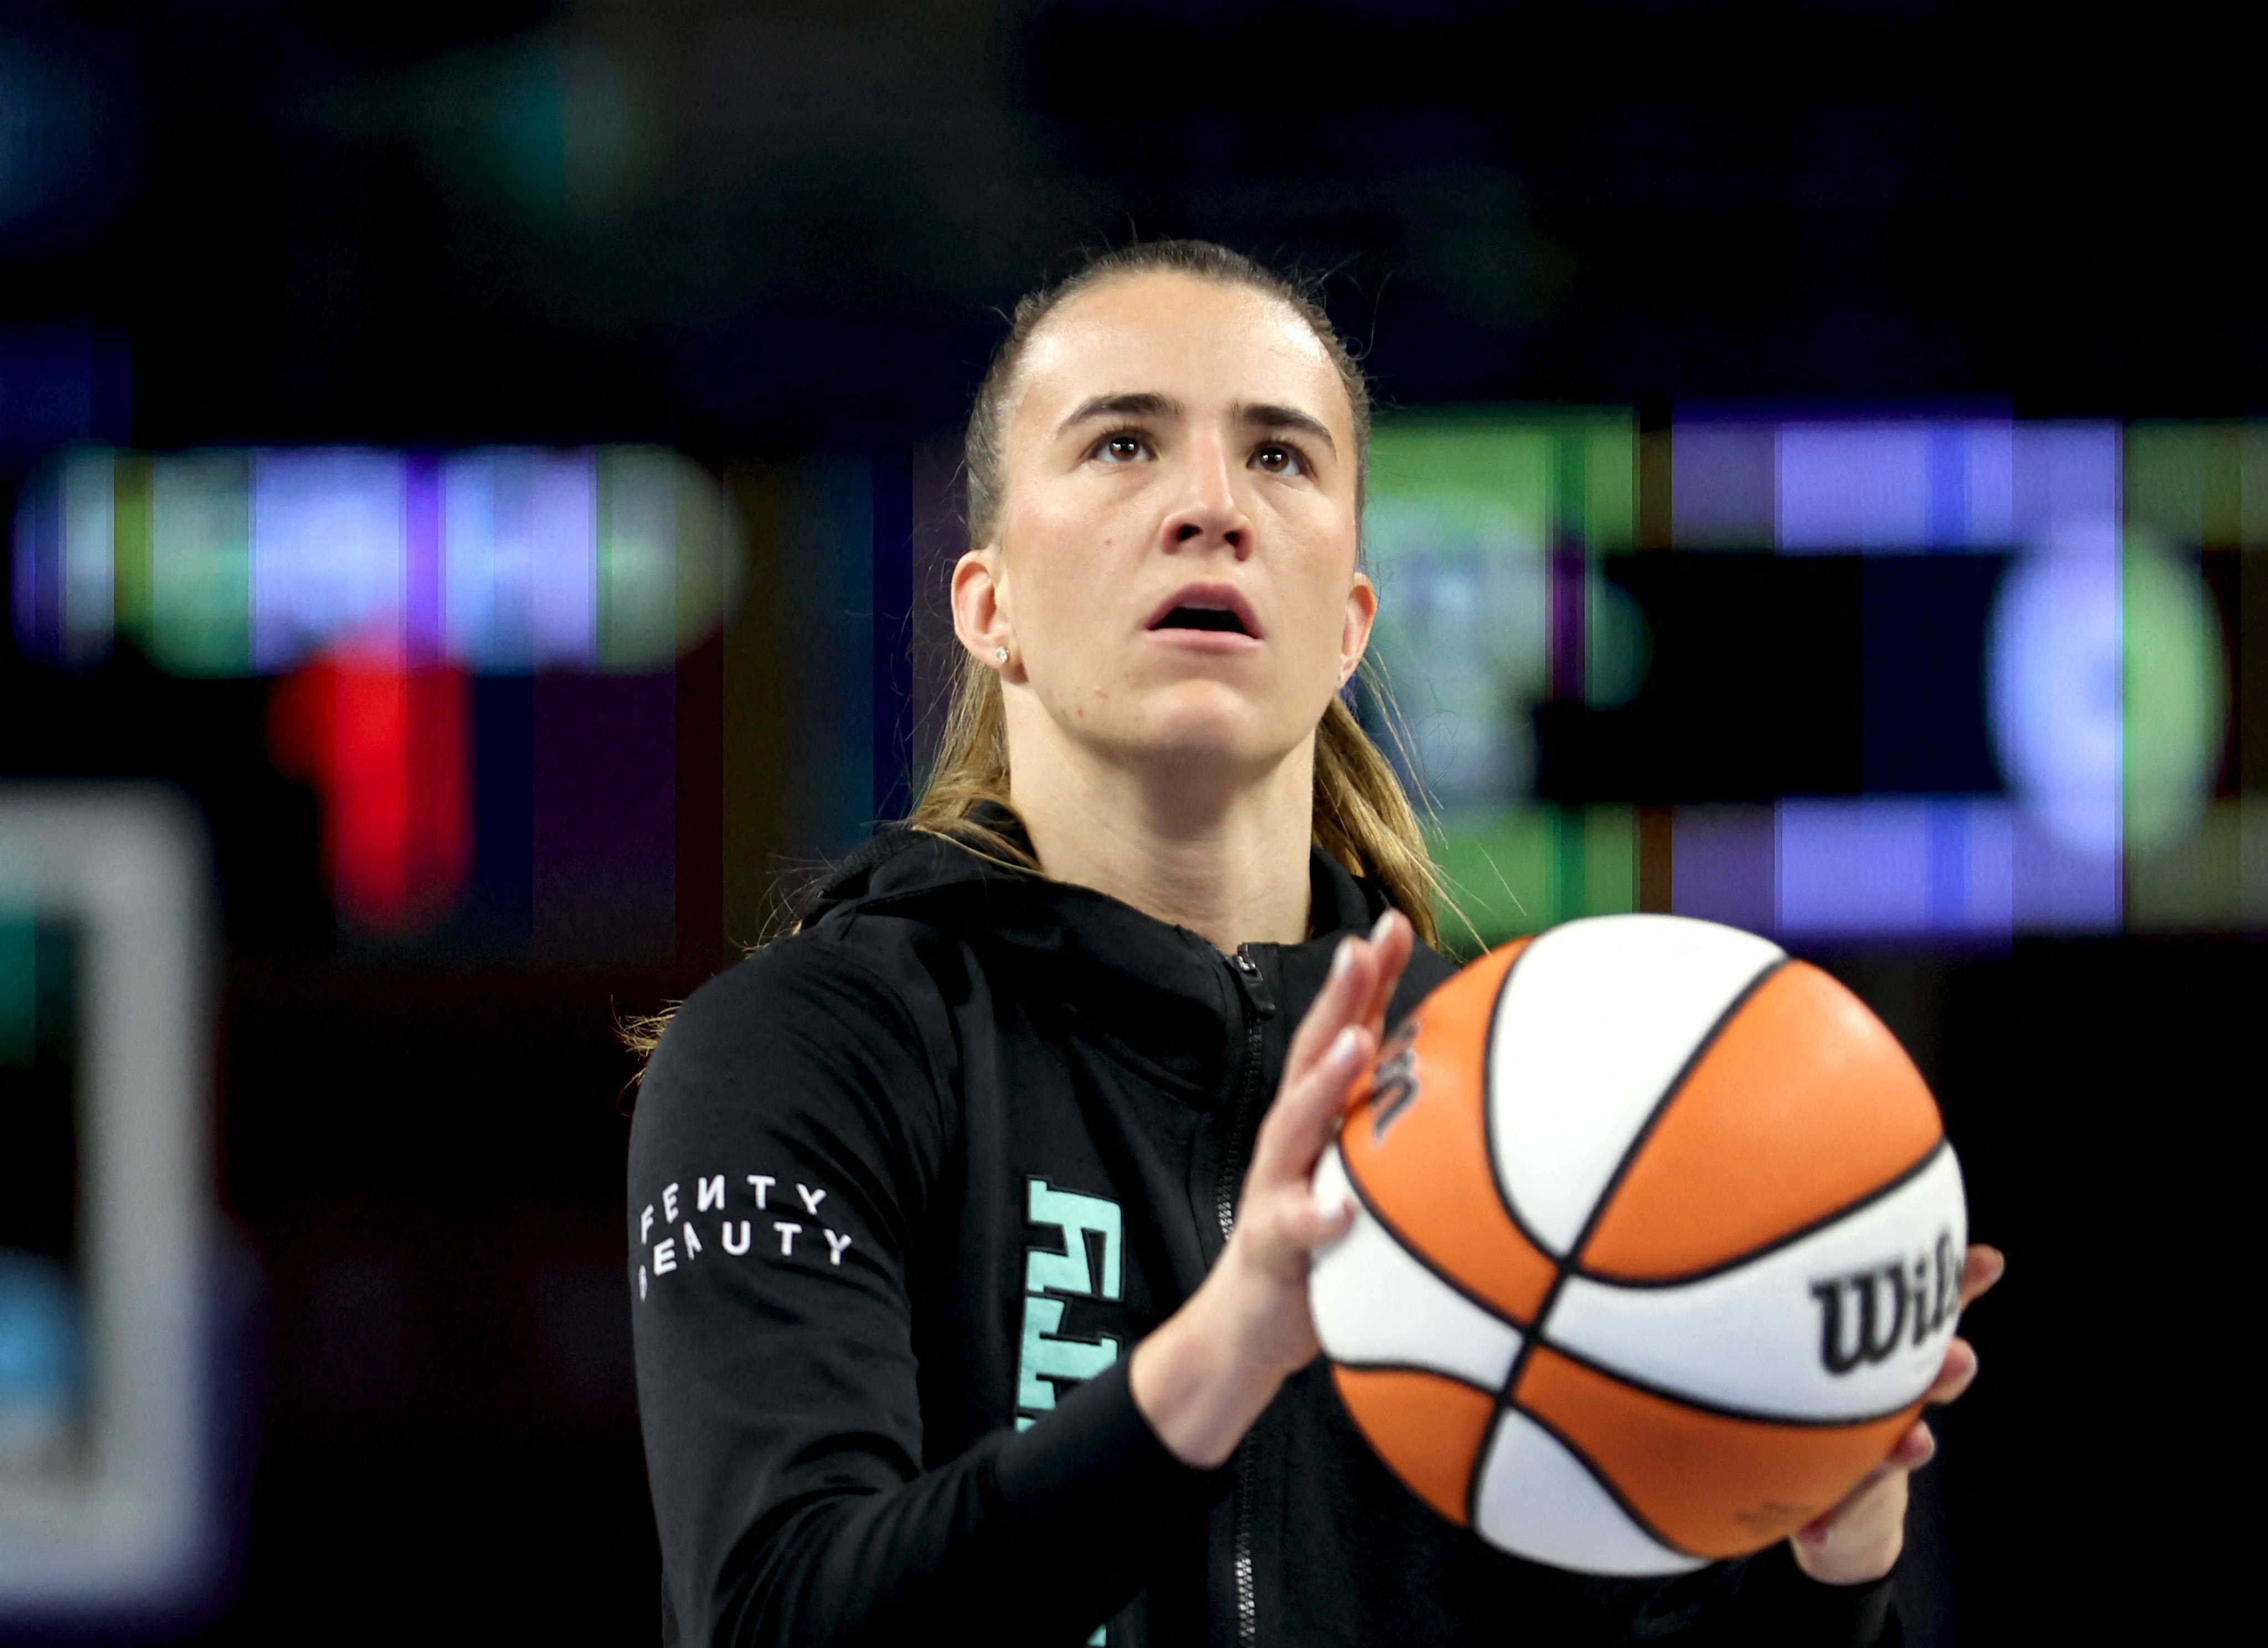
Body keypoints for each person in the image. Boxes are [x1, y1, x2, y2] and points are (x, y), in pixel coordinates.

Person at [626, 239, 2001, 1647]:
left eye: (1280, 459)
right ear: (989, 607)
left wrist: (1816, 1568)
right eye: (1120, 445)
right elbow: (769, 1615)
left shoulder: (1528, 1099)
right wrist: (1214, 1365)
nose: (1210, 506)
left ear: (1349, 628)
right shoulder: (811, 1047)